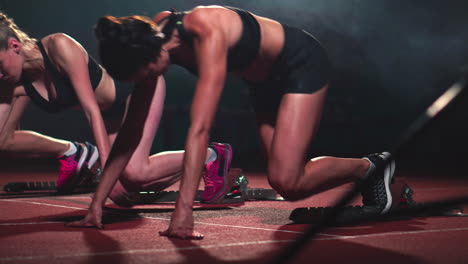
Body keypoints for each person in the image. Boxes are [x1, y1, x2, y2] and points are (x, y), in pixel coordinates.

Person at [68, 5, 397, 239]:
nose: (150, 80)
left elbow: (200, 128)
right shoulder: (152, 38)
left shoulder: (206, 28)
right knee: (287, 183)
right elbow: (131, 131)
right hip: (264, 82)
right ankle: (373, 168)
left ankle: (371, 168)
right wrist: (97, 203)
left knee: (289, 179)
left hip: (301, 64)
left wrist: (184, 211)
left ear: (152, 57)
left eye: (149, 74)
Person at [0, 12, 231, 199]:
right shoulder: (13, 82)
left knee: (134, 174)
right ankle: (77, 154)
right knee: (128, 186)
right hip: (111, 119)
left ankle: (212, 155)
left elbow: (92, 112)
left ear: (14, 46)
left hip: (135, 89)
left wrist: (108, 170)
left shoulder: (59, 46)